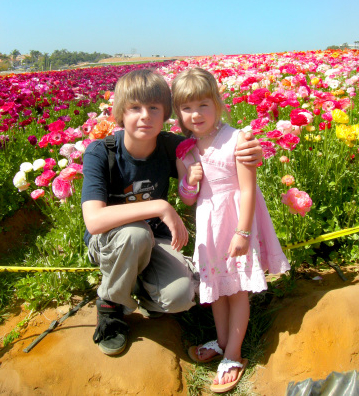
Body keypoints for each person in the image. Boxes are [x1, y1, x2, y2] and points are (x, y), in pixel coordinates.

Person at [81, 68, 263, 357]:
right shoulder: (101, 152)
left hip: (155, 241)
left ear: (166, 113)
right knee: (134, 233)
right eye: (135, 108)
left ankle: (143, 290)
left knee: (182, 296)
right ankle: (110, 307)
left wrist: (252, 150)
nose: (145, 116)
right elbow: (93, 221)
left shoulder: (170, 145)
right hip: (110, 242)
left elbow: (213, 146)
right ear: (119, 113)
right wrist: (160, 205)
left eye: (154, 108)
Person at [172, 68, 290, 393]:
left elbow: (249, 190)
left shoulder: (237, 139)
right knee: (217, 288)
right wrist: (189, 181)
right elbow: (188, 198)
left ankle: (234, 354)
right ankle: (223, 344)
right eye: (187, 108)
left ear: (218, 104)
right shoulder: (186, 151)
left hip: (236, 223)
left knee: (236, 290)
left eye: (203, 105)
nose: (195, 114)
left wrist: (243, 233)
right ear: (178, 113)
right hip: (209, 226)